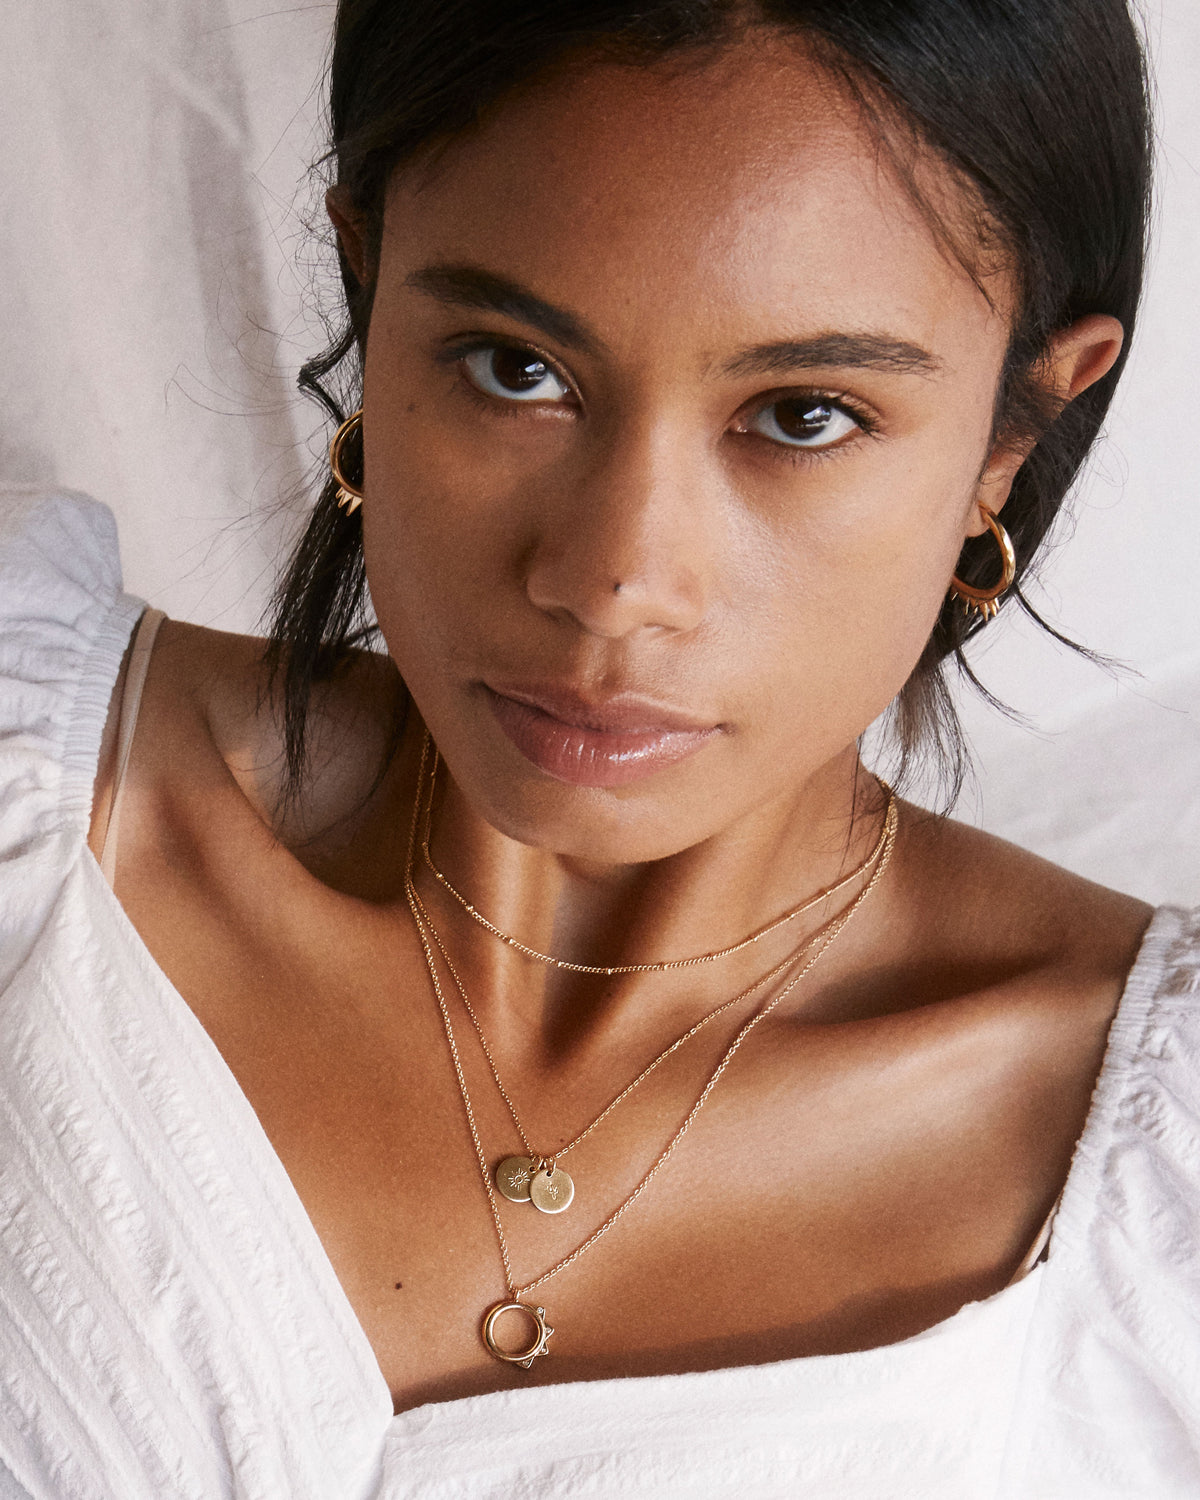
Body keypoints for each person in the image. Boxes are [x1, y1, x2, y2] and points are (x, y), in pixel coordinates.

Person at [0, 0, 1196, 1495]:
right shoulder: (36, 785)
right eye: (515, 368)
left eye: (804, 414)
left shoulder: (1157, 1202)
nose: (615, 579)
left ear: (1013, 434)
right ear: (370, 290)